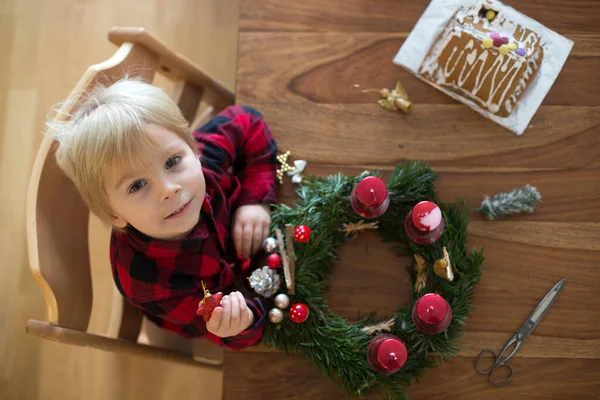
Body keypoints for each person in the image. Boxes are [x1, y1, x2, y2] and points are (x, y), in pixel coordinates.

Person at [47, 78, 278, 349]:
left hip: (250, 246)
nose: (168, 189)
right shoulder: (148, 282)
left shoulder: (205, 160)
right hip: (201, 302)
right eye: (137, 185)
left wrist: (253, 200)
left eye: (172, 161)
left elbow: (247, 121)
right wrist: (241, 321)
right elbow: (223, 327)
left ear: (193, 148)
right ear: (114, 215)